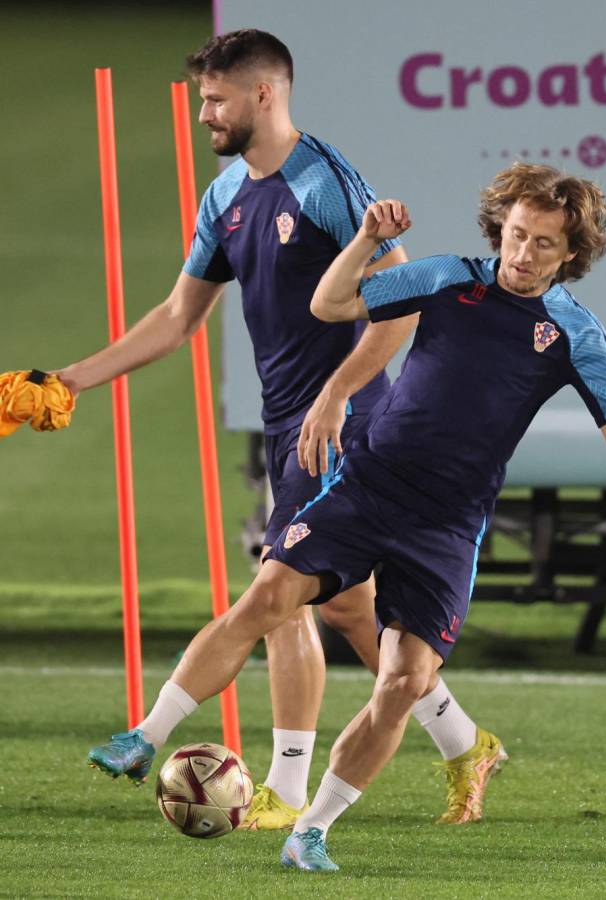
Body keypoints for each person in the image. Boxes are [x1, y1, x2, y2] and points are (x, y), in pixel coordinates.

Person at [88, 161, 606, 872]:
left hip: (448, 526)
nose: (524, 254)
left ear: (572, 253)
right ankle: (146, 736)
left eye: (544, 244)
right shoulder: (448, 276)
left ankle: (313, 830)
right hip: (370, 484)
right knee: (269, 595)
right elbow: (332, 305)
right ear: (501, 228)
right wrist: (364, 239)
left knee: (402, 681)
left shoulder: (575, 332)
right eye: (517, 235)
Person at [36, 29, 502, 828]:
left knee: (278, 590)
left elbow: (403, 301)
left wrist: (335, 396)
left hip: (344, 424)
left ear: (264, 94)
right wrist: (73, 378)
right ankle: (465, 742)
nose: (204, 115)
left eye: (215, 100)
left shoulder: (324, 183)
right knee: (351, 611)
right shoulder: (225, 196)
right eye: (201, 100)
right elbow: (179, 315)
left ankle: (284, 789)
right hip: (288, 419)